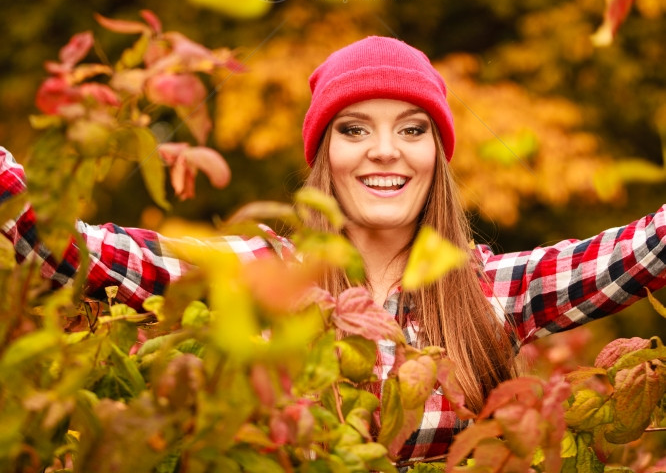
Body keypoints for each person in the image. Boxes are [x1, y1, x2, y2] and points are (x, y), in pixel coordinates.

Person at [3, 35, 666, 465]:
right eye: (354, 129)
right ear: (324, 156)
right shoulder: (258, 274)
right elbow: (76, 251)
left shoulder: (490, 290)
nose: (385, 150)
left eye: (412, 129)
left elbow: (641, 250)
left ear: (437, 155)